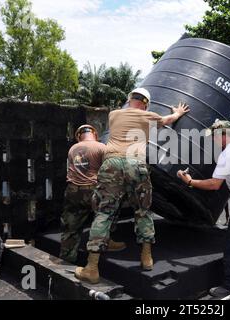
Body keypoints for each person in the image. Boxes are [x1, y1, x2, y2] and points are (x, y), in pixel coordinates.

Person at [75, 88, 190, 284]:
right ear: (146, 103)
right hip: (136, 164)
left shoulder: (113, 114)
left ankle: (92, 268)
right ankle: (146, 258)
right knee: (143, 211)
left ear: (129, 99)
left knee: (104, 213)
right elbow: (168, 120)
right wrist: (178, 113)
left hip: (111, 164)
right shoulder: (149, 115)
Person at [177, 120, 230, 298]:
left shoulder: (227, 155)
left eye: (215, 137)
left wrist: (190, 182)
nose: (214, 141)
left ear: (223, 135)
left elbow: (214, 184)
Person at [60, 125, 126, 264]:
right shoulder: (101, 147)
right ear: (95, 134)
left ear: (79, 136)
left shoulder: (72, 149)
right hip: (93, 190)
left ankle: (67, 258)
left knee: (71, 226)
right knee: (105, 218)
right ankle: (103, 244)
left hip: (73, 191)